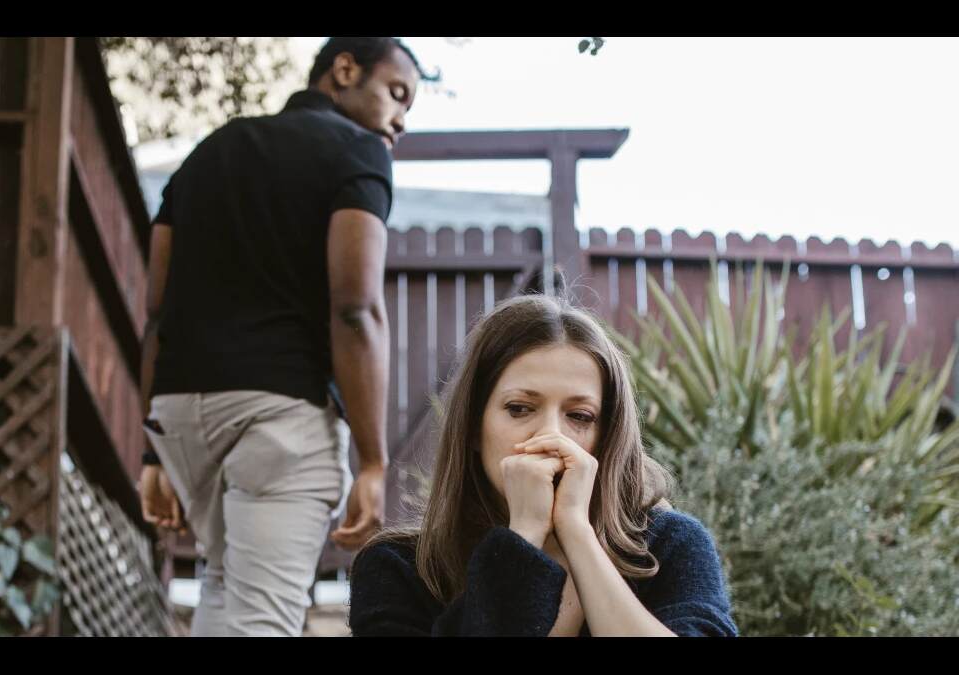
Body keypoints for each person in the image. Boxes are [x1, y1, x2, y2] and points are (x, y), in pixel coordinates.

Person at [137, 37, 430, 636]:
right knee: (263, 619)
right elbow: (356, 309)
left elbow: (157, 309)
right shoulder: (359, 152)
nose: (400, 119)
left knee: (223, 586)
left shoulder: (209, 151)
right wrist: (373, 462)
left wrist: (151, 449)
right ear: (344, 70)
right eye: (396, 93)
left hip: (183, 417)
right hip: (281, 420)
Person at [348, 293, 738, 636]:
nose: (551, 436)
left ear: (606, 437)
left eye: (580, 416)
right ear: (473, 428)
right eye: (520, 409)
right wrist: (523, 538)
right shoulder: (397, 567)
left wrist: (577, 532)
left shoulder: (671, 544)